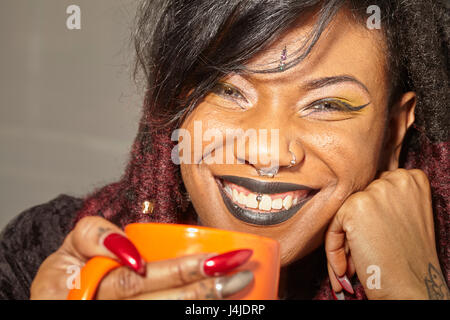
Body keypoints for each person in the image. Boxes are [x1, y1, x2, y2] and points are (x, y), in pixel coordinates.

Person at [0, 0, 448, 300]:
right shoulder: (42, 258)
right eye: (229, 91)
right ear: (175, 104)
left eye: (327, 104)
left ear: (392, 133)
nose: (268, 152)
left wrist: (413, 287)